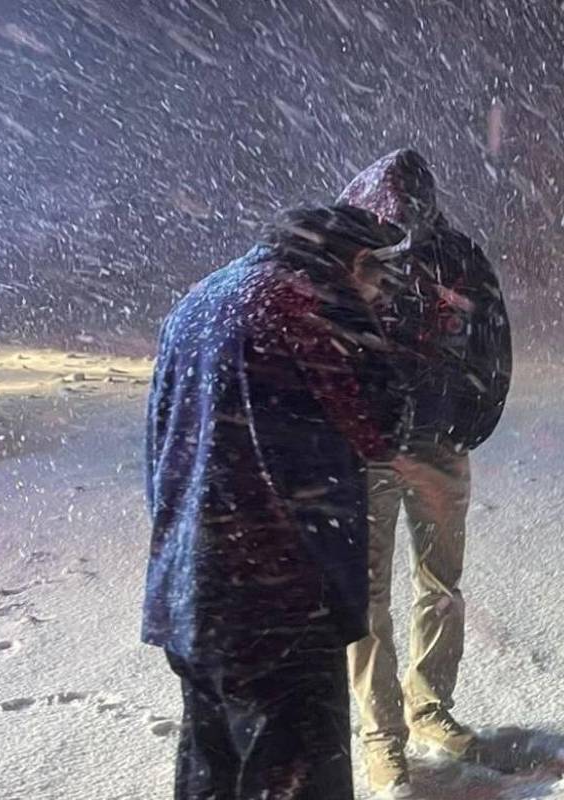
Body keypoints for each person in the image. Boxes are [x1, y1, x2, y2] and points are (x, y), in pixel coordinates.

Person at [143, 204, 413, 800]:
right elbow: (382, 425)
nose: (380, 293)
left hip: (190, 585)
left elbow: (159, 442)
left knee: (212, 769)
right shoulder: (306, 305)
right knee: (296, 775)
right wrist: (367, 324)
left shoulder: (201, 298)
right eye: (377, 279)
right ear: (355, 262)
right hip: (280, 594)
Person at [337, 149, 512, 795]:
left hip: (439, 444)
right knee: (368, 595)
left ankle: (430, 708)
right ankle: (382, 736)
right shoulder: (349, 259)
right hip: (368, 451)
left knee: (441, 584)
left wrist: (476, 419)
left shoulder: (458, 256)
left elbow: (493, 340)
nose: (404, 223)